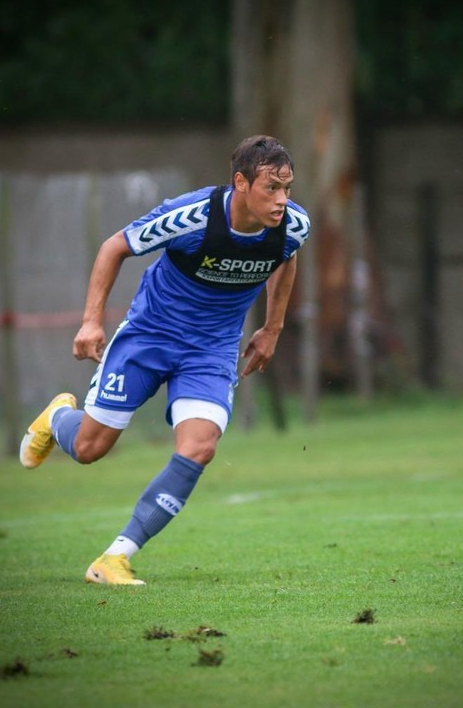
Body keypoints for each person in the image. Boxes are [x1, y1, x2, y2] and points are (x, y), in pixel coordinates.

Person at [20, 135, 310, 585]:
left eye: (287, 188)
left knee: (200, 447)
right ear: (240, 183)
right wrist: (91, 322)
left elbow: (285, 259)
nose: (282, 201)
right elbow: (114, 247)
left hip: (211, 351)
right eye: (271, 189)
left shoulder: (292, 226)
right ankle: (59, 417)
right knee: (90, 448)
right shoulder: (192, 217)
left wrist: (272, 328)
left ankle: (115, 557)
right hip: (148, 338)